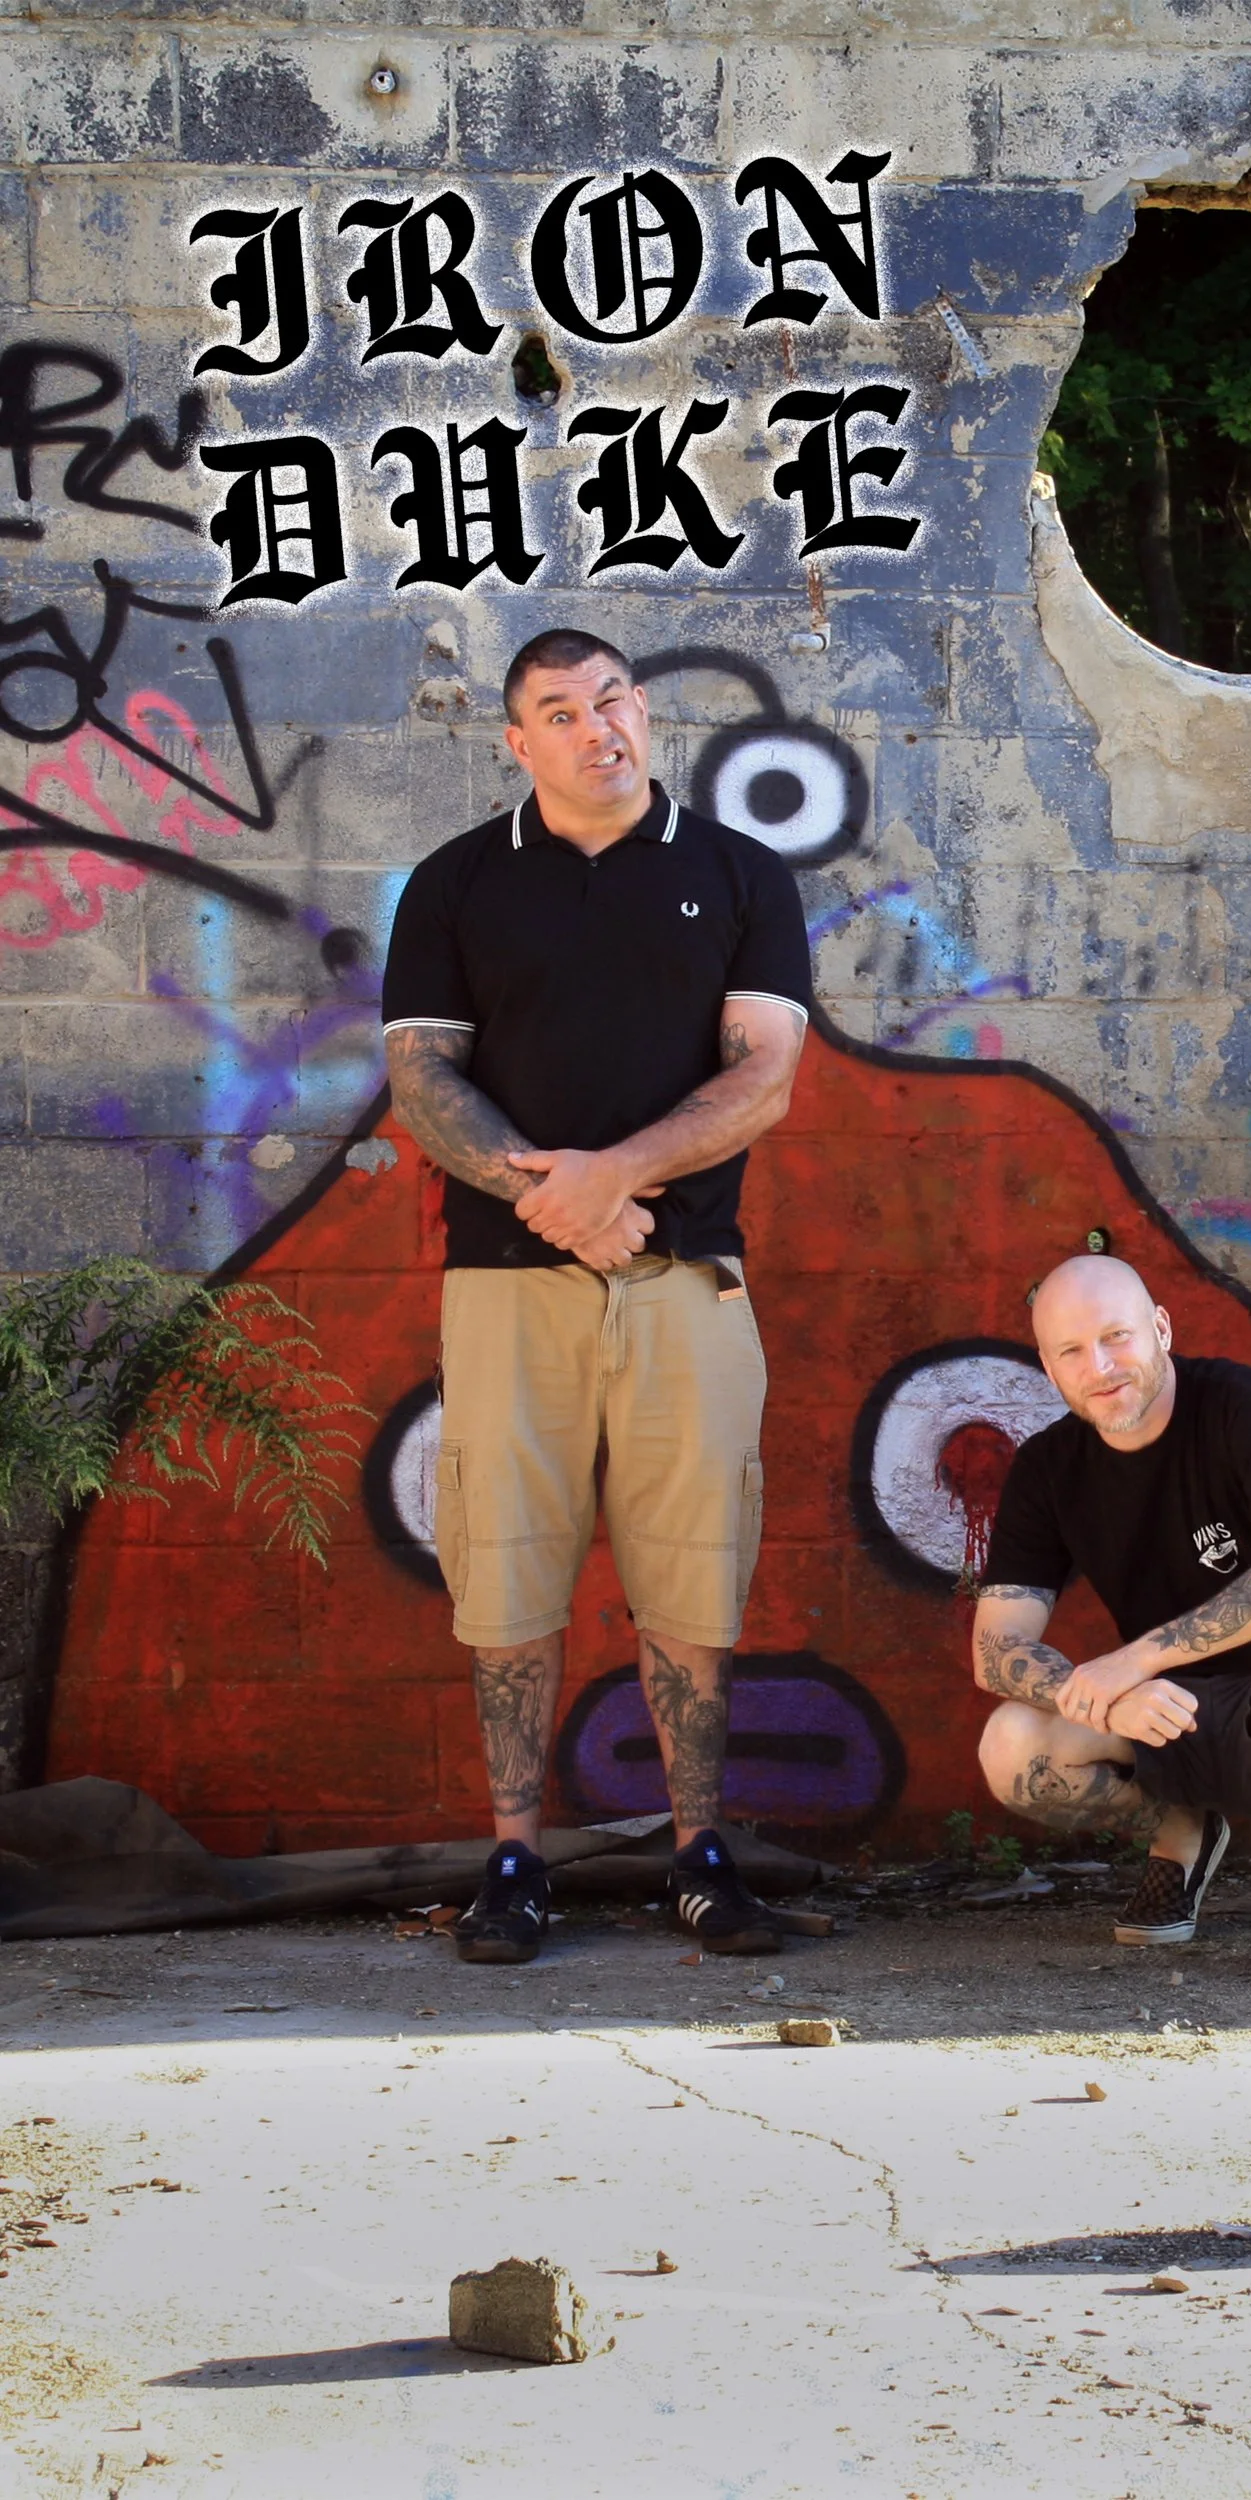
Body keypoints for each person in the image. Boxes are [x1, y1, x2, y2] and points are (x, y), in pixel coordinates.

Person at [380, 628, 811, 1966]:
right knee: (507, 1578)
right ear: (520, 742)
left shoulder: (738, 870)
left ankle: (698, 1854)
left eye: (613, 699)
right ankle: (514, 1855)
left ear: (644, 710)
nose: (596, 728)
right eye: (559, 713)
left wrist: (615, 1181)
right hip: (509, 1287)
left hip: (687, 1275)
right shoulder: (456, 885)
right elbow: (424, 1082)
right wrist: (549, 1200)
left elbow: (765, 1077)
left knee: (693, 1580)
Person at [970, 1256, 1251, 1990]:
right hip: (1170, 1721)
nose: (1099, 1366)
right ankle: (1183, 1826)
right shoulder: (1047, 1469)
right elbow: (996, 1648)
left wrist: (1131, 1662)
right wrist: (1110, 1694)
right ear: (1050, 1367)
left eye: (1116, 1337)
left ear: (1160, 1327)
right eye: (1071, 1351)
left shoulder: (1240, 1405)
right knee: (1011, 1745)